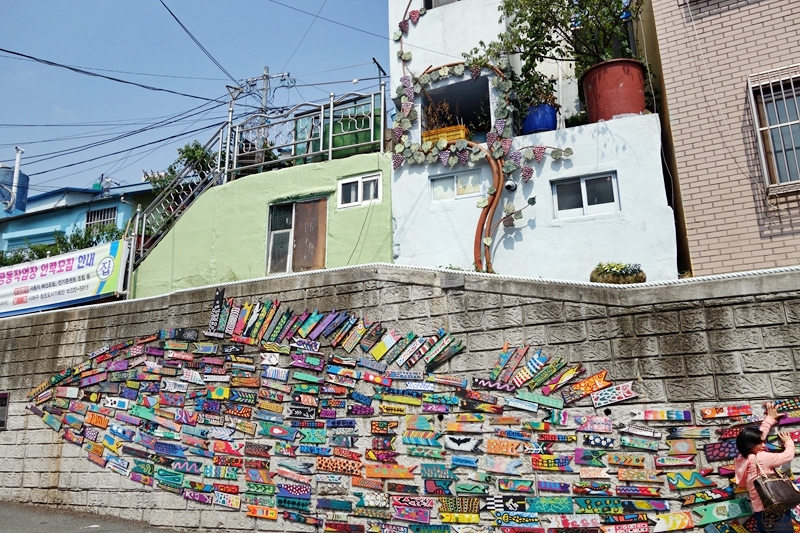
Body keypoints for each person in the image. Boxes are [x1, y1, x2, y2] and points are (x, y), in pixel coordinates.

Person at [734, 403, 795, 533]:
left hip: (759, 514)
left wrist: (769, 420)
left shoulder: (741, 460)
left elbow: (757, 436)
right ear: (750, 444)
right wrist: (789, 442)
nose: (763, 444)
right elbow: (787, 456)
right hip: (775, 512)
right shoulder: (762, 457)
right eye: (760, 443)